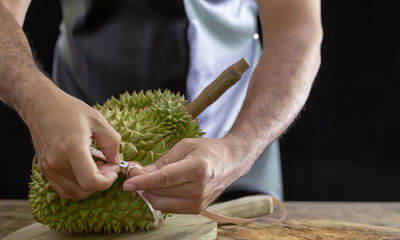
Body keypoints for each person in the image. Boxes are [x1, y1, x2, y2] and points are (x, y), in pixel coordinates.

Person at [0, 0, 322, 214]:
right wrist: (36, 97)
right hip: (83, 150)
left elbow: (297, 28)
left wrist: (240, 147)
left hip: (237, 148)